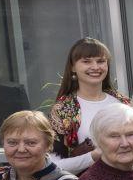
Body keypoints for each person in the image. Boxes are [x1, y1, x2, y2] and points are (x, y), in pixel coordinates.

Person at [48, 36, 128, 172]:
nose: (95, 67)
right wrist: (93, 156)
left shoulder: (123, 102)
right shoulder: (62, 110)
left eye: (101, 61)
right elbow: (53, 167)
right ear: (73, 67)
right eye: (86, 61)